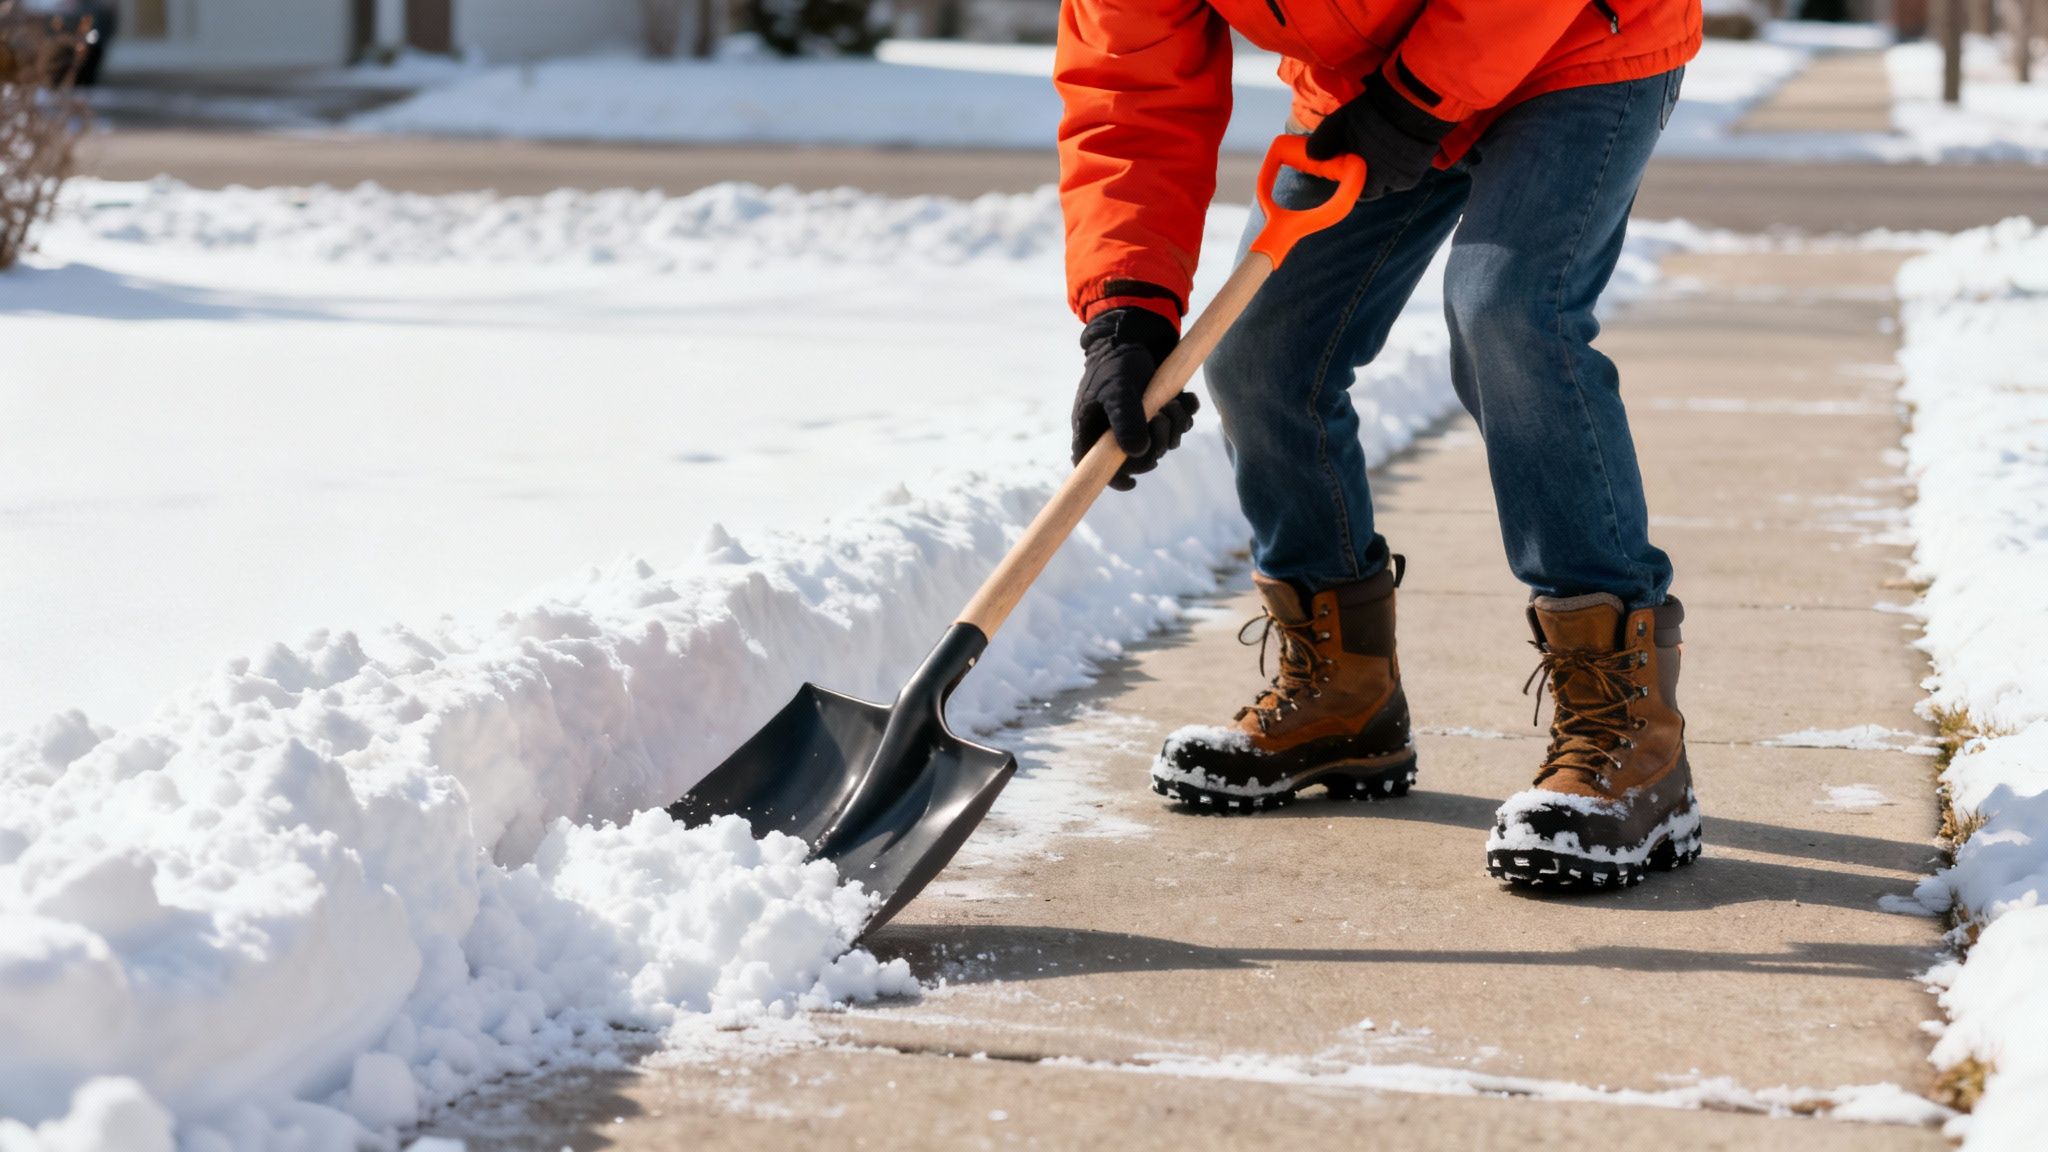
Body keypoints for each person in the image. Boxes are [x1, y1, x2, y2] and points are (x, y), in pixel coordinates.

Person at [1057, 0, 1704, 890]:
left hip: (1577, 42)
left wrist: (1419, 97)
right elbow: (1129, 91)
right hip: (1367, 85)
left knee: (1510, 313)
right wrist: (1124, 315)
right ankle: (1344, 694)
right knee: (1261, 352)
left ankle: (1634, 733)